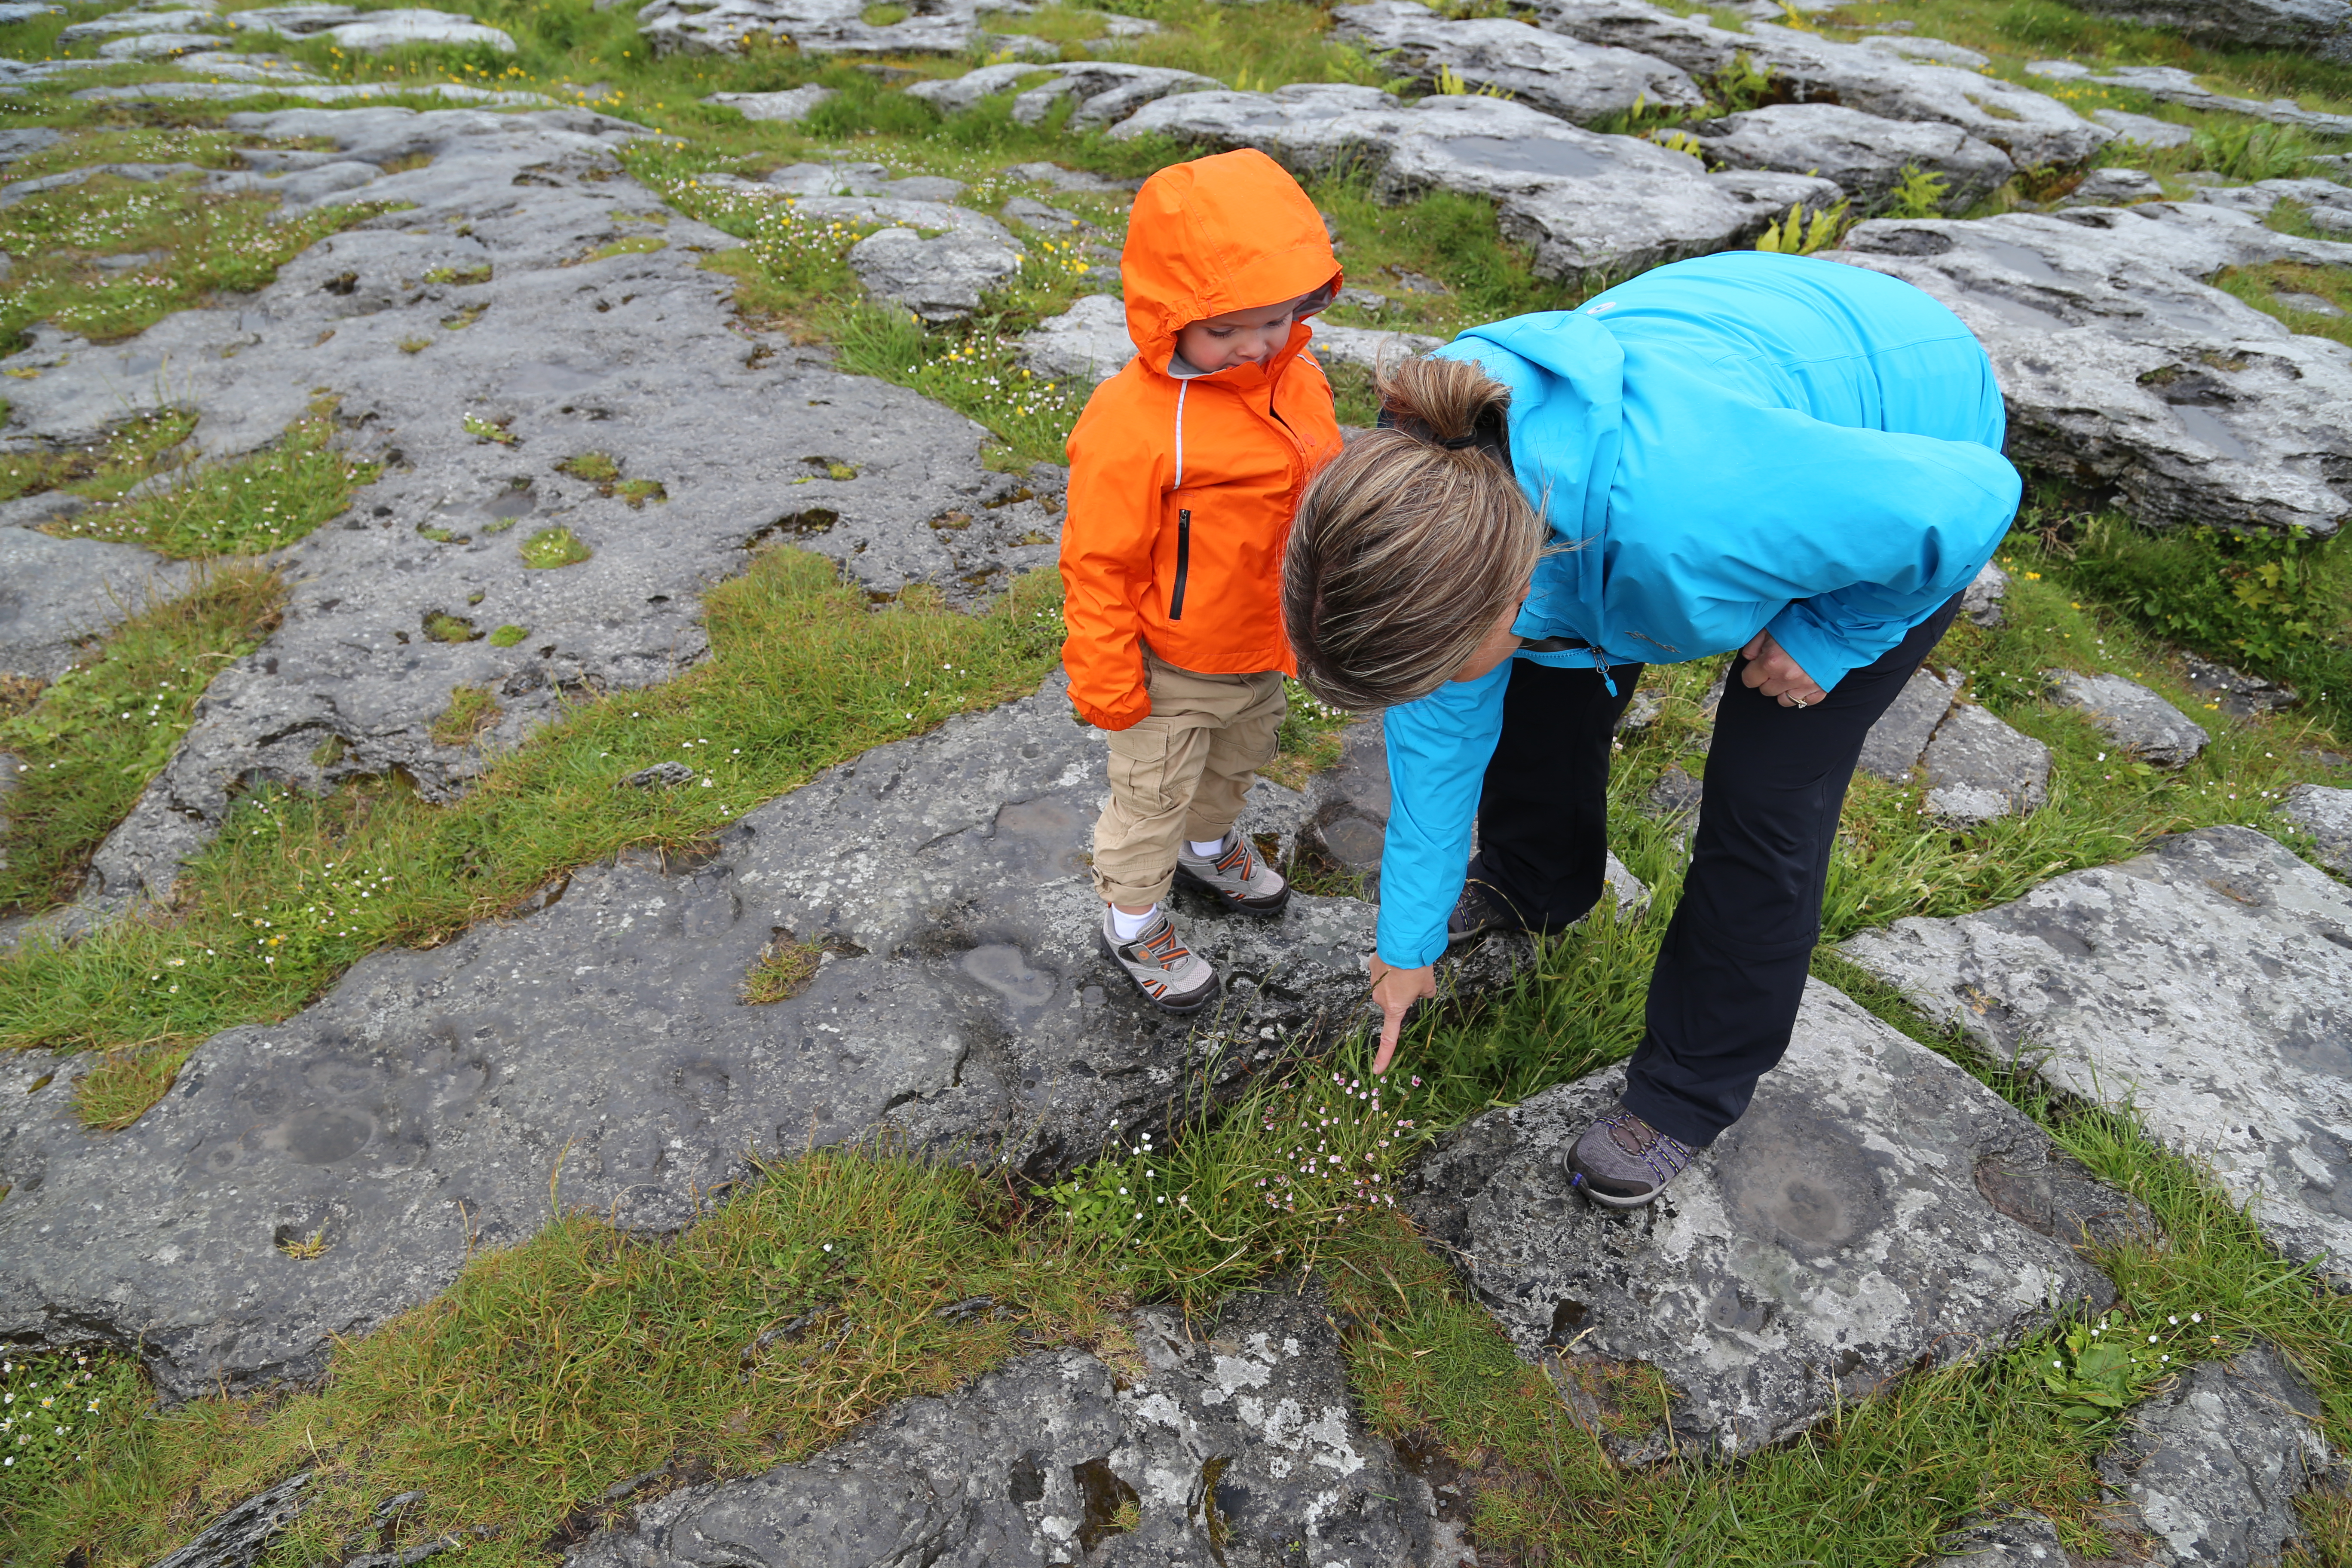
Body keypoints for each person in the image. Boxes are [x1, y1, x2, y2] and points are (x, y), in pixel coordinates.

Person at [1282, 249, 2019, 1206]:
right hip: (1716, 370)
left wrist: (1835, 634)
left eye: (1438, 662)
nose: (1429, 690)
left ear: (1498, 589)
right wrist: (1406, 945)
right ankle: (1533, 880)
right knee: (1539, 693)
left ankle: (1686, 1091)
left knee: (1766, 797)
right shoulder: (1432, 476)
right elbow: (1439, 735)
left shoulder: (1696, 515)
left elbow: (1970, 498)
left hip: (1901, 413)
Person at [1059, 148, 1344, 1013]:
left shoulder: (1299, 381)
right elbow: (1098, 559)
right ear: (1166, 313)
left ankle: (1211, 846)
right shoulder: (1135, 420)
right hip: (1169, 667)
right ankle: (1134, 917)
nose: (1255, 344)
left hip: (1264, 647)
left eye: (1274, 318)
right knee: (1151, 798)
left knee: (1236, 765)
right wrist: (1108, 676)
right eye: (1225, 329)